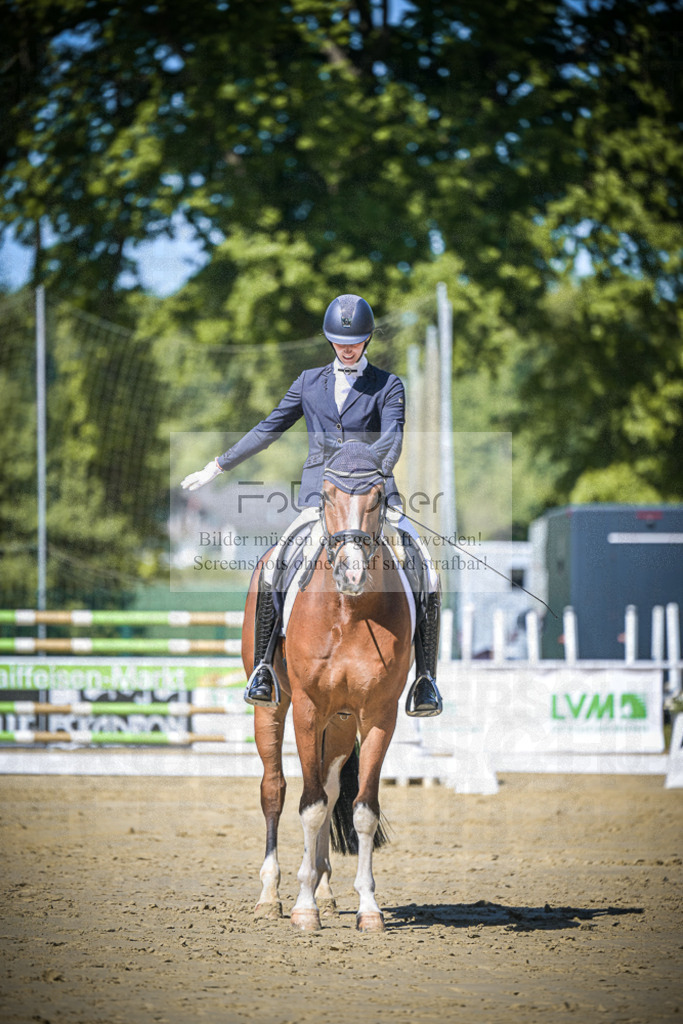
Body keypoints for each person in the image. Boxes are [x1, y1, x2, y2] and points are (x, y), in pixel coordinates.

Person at [181, 294, 443, 717]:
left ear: (368, 339)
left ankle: (425, 679)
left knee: (425, 566)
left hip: (372, 497)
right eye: (340, 340)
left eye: (356, 340)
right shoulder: (308, 382)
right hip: (322, 500)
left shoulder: (388, 385)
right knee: (274, 563)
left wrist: (371, 474)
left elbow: (392, 438)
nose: (348, 347)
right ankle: (264, 668)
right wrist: (217, 465)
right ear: (329, 340)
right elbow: (269, 428)